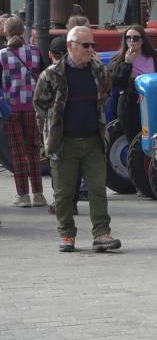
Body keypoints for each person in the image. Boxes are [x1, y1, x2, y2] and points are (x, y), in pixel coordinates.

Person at [34, 26, 120, 252]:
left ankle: (102, 233)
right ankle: (67, 234)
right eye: (86, 45)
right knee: (63, 193)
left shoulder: (99, 70)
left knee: (98, 189)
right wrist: (48, 136)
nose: (91, 50)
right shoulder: (51, 74)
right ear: (71, 46)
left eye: (93, 45)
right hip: (64, 143)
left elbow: (106, 93)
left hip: (93, 140)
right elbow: (40, 105)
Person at [0, 16, 47, 207]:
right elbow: (44, 78)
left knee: (18, 152)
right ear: (23, 31)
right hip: (32, 107)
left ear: (5, 31)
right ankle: (39, 194)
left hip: (10, 108)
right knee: (34, 149)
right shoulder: (35, 52)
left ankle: (23, 195)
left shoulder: (2, 55)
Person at [109, 25, 157, 143]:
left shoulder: (154, 58)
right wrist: (127, 63)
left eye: (135, 38)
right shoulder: (120, 59)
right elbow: (117, 82)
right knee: (135, 141)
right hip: (131, 105)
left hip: (153, 103)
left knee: (155, 138)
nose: (131, 41)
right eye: (128, 38)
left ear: (142, 40)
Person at [45, 37, 80, 216]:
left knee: (57, 166)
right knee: (74, 166)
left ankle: (61, 202)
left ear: (50, 54)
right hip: (76, 126)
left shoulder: (49, 74)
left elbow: (41, 104)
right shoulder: (78, 71)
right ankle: (72, 201)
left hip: (55, 128)